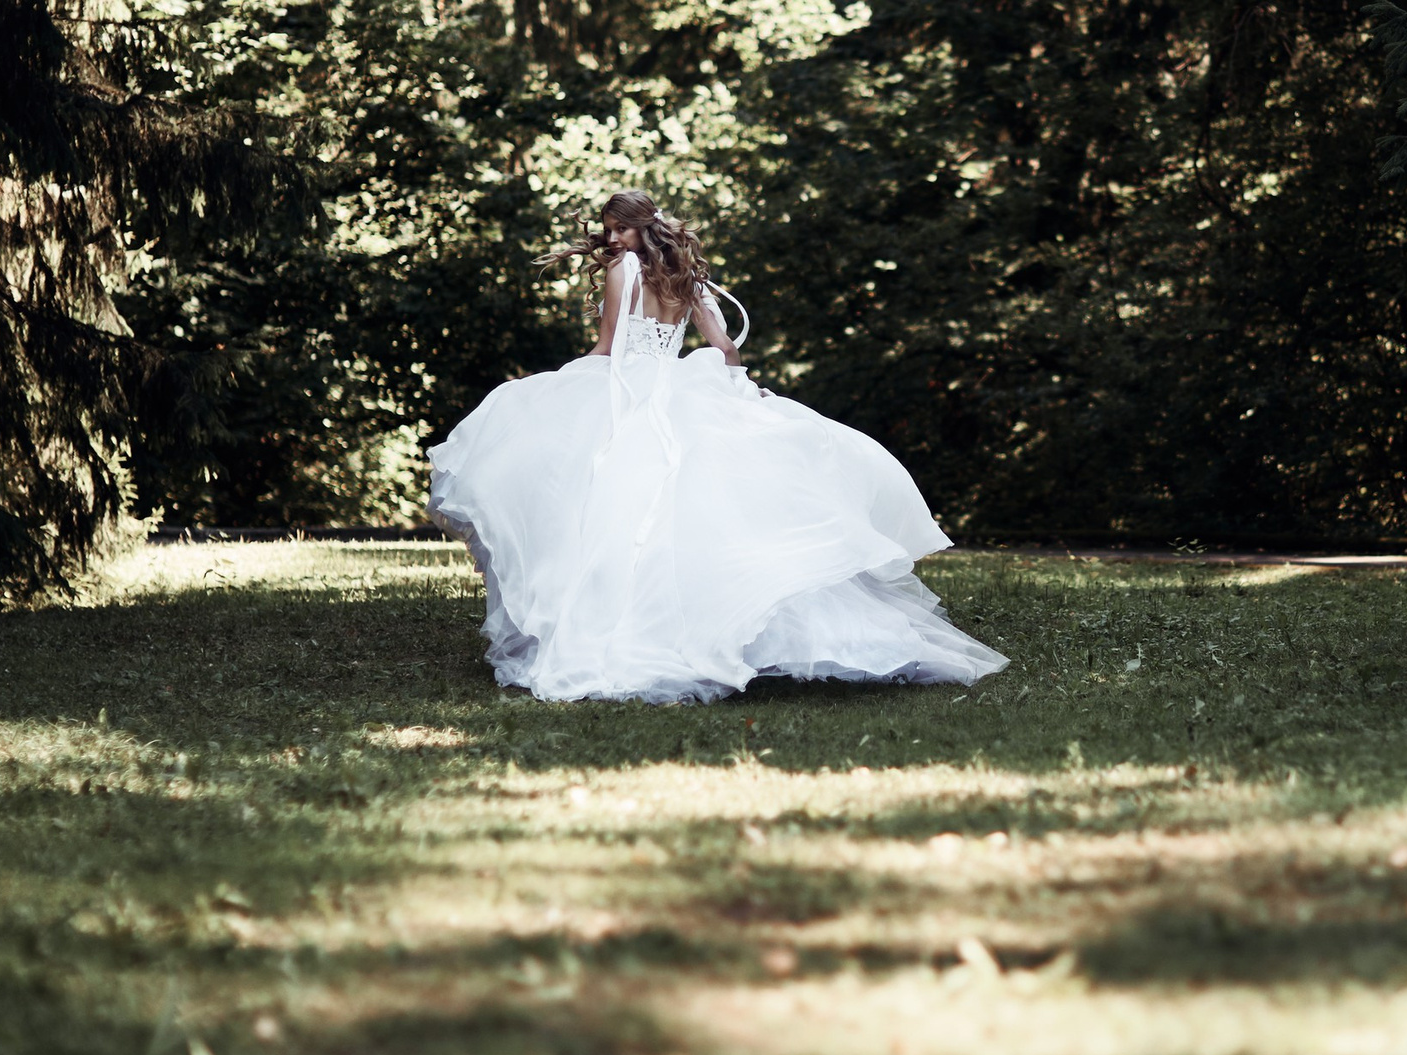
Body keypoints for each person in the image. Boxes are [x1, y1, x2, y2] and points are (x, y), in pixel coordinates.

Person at [427, 191, 1005, 704]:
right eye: (608, 230)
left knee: (615, 511)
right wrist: (736, 390)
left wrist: (552, 384)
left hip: (631, 392)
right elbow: (725, 348)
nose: (610, 239)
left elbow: (608, 349)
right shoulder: (687, 276)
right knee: (699, 514)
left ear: (636, 229)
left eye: (617, 229)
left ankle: (628, 633)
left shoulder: (623, 271)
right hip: (683, 386)